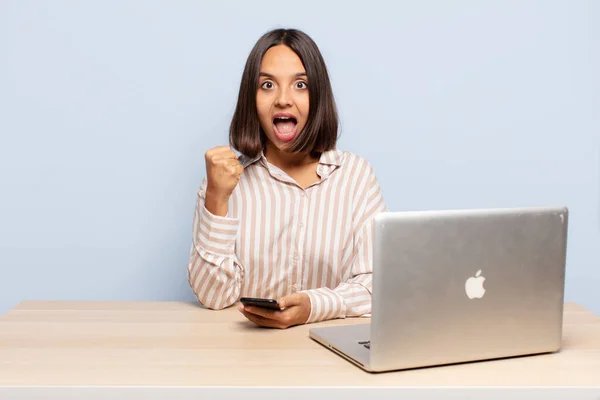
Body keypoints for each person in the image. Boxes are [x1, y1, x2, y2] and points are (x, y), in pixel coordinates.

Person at [187, 28, 386, 329]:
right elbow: (213, 296)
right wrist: (216, 199)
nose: (282, 99)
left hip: (328, 353)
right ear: (251, 99)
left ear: (318, 95)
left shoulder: (357, 178)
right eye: (267, 85)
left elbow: (377, 287)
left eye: (300, 85)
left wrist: (312, 306)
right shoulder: (224, 184)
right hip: (243, 354)